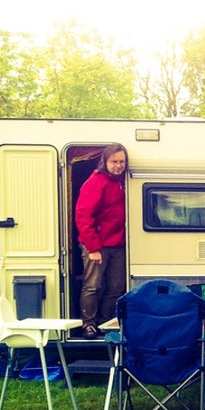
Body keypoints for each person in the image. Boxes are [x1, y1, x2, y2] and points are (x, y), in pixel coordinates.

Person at [75, 144, 128, 339]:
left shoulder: (123, 181)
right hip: (97, 244)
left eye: (122, 161)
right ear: (105, 162)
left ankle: (104, 322)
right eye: (114, 162)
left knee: (116, 287)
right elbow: (83, 216)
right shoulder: (96, 182)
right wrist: (93, 248)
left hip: (118, 245)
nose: (118, 166)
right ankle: (88, 324)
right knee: (93, 285)